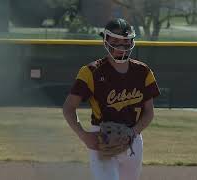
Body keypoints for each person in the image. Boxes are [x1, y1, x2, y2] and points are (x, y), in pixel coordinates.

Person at [63, 18, 160, 180]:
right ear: (106, 42)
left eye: (125, 41)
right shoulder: (91, 72)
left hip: (133, 137)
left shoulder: (143, 72)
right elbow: (68, 107)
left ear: (131, 42)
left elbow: (149, 112)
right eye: (115, 41)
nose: (121, 47)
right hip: (101, 137)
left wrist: (132, 133)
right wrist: (84, 135)